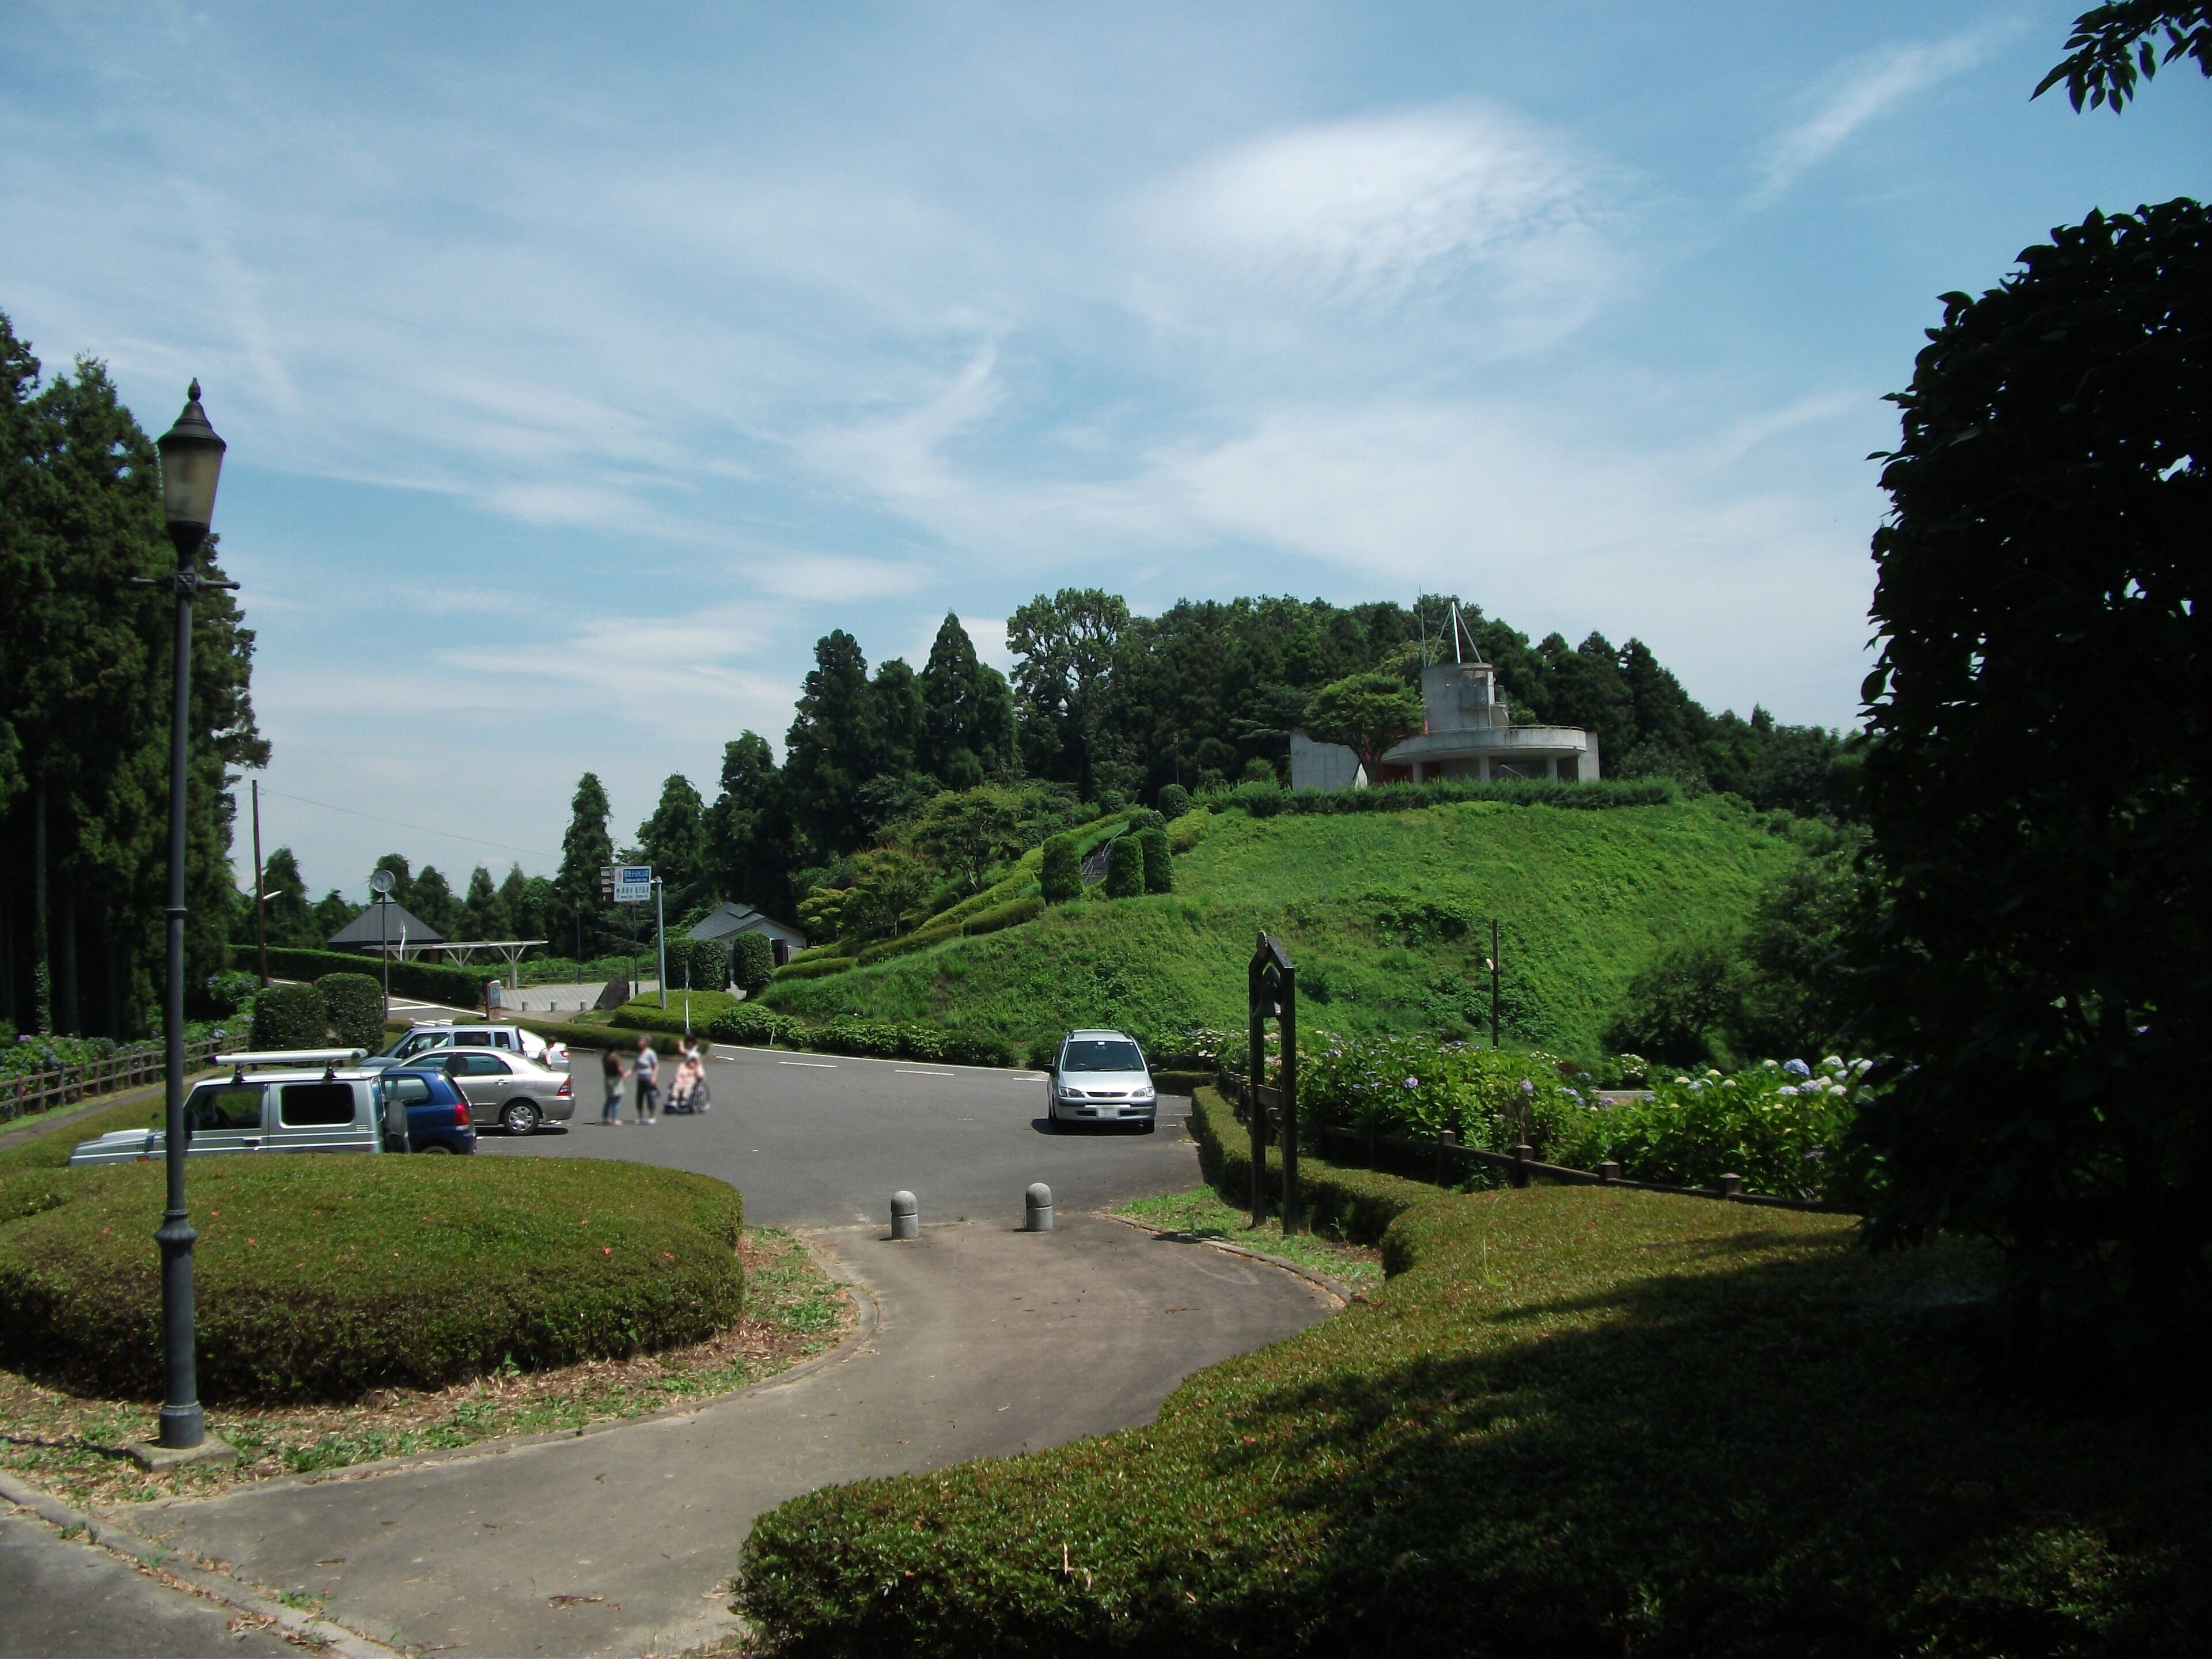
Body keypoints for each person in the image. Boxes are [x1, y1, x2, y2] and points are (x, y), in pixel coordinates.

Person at [669, 1036, 706, 1114]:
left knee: (689, 1086)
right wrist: (677, 1079)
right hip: (682, 1080)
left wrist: (700, 1077)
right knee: (676, 1085)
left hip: (691, 1079)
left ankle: (684, 1100)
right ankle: (674, 1101)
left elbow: (700, 1073)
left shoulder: (695, 1054)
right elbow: (678, 1074)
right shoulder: (683, 1066)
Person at [633, 1035, 660, 1124]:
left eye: (641, 1041)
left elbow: (656, 1065)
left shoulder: (650, 1053)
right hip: (640, 1079)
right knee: (639, 1098)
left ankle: (652, 1117)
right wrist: (625, 1075)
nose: (639, 1043)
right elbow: (635, 1067)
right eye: (639, 1041)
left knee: (650, 1098)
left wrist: (654, 1077)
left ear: (646, 1043)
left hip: (649, 1079)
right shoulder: (638, 1054)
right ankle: (640, 1117)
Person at [600, 1046, 626, 1126]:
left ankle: (605, 1118)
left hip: (608, 1078)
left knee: (609, 1099)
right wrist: (623, 1075)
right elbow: (620, 1069)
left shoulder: (605, 1057)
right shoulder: (616, 1058)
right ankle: (614, 1119)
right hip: (616, 1080)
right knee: (616, 1101)